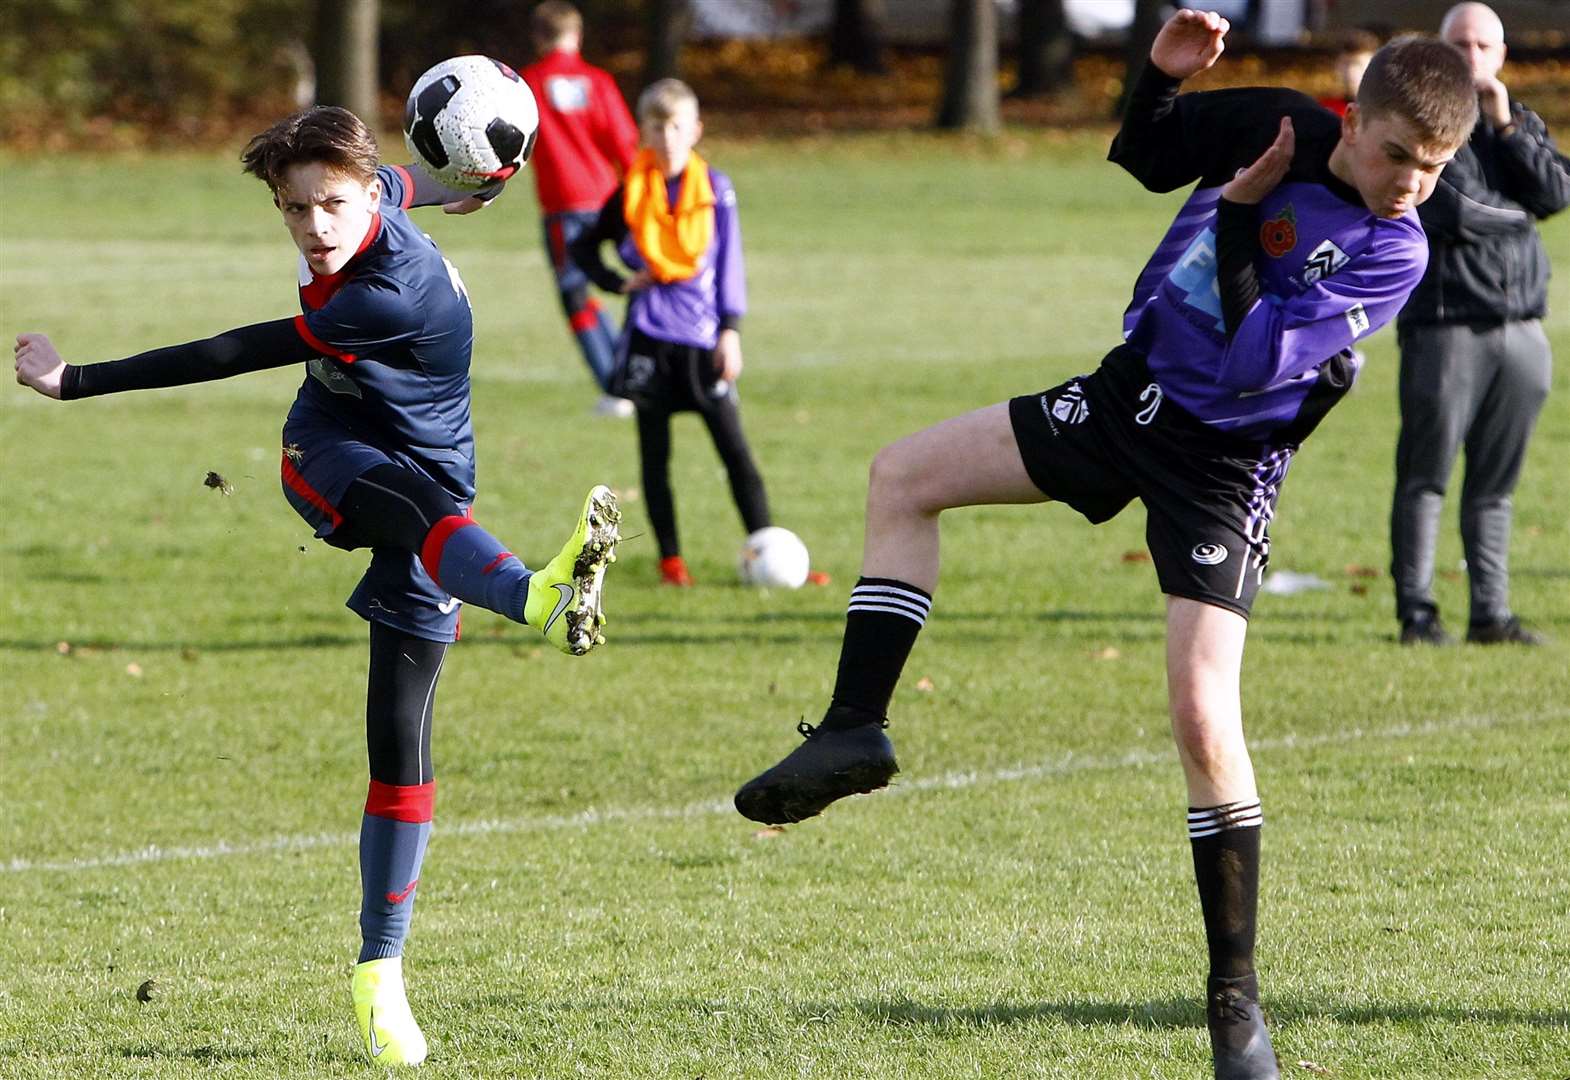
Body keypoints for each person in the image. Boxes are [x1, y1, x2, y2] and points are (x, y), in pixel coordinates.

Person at [733, 12, 1476, 1080]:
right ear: (1352, 121)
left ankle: (1234, 1004)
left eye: (1434, 167)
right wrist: (1162, 83)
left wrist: (1237, 213)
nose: (1410, 181)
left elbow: (1247, 364)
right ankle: (854, 730)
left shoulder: (1393, 251)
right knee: (902, 477)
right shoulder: (1281, 122)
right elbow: (1145, 153)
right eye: (1398, 153)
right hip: (1127, 398)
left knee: (1198, 712)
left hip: (1222, 466)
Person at [12, 105, 621, 1067]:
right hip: (326, 455)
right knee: (418, 517)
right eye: (295, 209)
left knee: (401, 745)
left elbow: (242, 337)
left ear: (366, 193)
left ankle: (380, 971)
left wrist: (74, 379)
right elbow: (261, 323)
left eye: (329, 204)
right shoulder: (378, 220)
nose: (314, 226)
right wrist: (480, 187)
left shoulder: (391, 289)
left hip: (440, 486)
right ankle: (539, 600)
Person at [1389, 1, 1567, 647]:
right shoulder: (1427, 125)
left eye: (1482, 46)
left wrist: (1509, 130)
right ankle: (1417, 612)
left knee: (1496, 485)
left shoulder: (1515, 121)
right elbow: (1457, 209)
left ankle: (1490, 614)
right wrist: (1526, 212)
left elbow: (1558, 190)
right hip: (1447, 324)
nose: (1470, 57)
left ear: (1500, 57)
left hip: (1521, 327)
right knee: (1426, 473)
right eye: (1458, 44)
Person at [570, 79, 778, 588]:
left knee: (735, 451)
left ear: (695, 130)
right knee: (654, 456)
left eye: (678, 127)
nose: (667, 137)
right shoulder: (631, 192)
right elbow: (583, 248)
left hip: (704, 339)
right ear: (643, 130)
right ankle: (670, 562)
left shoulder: (716, 190)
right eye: (658, 127)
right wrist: (620, 282)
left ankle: (767, 547)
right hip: (649, 339)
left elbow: (729, 263)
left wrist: (731, 330)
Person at [520, 0, 641, 418]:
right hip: (611, 201)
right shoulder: (599, 82)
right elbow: (625, 144)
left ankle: (615, 386)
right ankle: (637, 373)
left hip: (563, 205)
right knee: (641, 283)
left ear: (538, 37)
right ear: (578, 35)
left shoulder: (530, 84)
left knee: (576, 294)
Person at [1317, 29, 1379, 118]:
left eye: (1358, 64)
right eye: (1345, 64)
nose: (1351, 72)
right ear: (1336, 67)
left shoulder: (1389, 111)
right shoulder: (1325, 109)